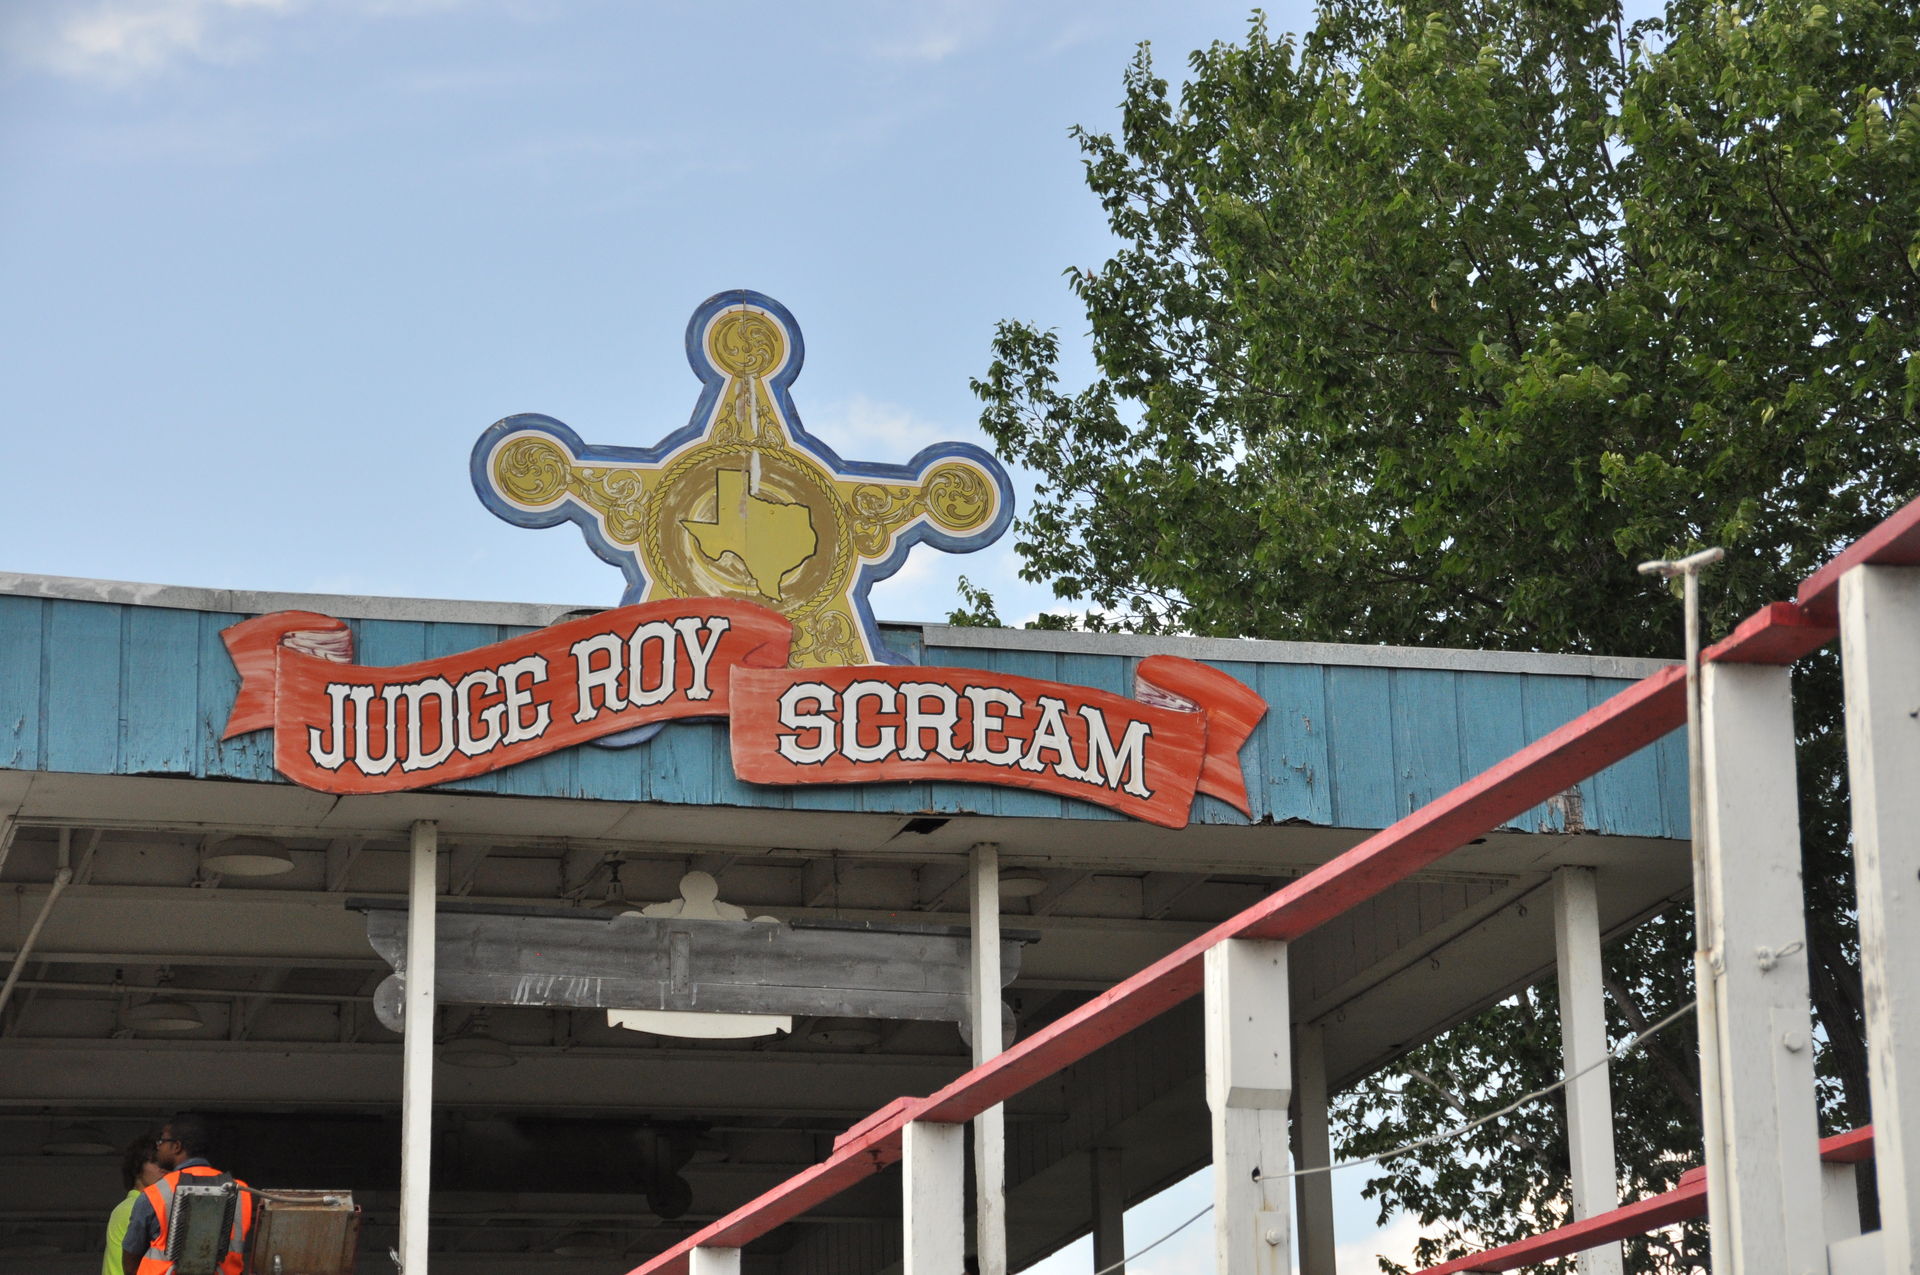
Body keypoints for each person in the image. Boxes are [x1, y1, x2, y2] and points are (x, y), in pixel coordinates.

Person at [121, 1114, 252, 1275]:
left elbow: (131, 1255)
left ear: (177, 1146)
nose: (158, 1147)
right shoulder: (242, 1192)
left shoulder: (155, 1193)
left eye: (162, 1141)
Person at [103, 1135, 163, 1275]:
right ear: (137, 1168)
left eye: (166, 1165)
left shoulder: (127, 1206)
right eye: (155, 1162)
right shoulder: (137, 1208)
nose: (163, 1169)